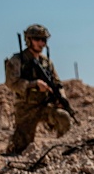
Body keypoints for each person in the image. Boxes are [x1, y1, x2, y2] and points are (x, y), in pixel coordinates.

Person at [4, 24, 72, 155]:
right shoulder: (18, 60)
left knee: (63, 117)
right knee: (20, 149)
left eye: (44, 40)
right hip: (26, 108)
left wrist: (61, 99)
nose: (42, 43)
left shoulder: (46, 63)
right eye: (38, 39)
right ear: (29, 40)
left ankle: (62, 151)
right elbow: (11, 83)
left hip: (45, 106)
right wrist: (34, 84)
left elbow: (58, 84)